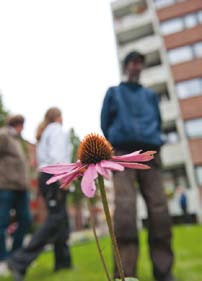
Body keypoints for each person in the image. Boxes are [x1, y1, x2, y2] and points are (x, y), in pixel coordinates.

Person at [101, 51, 174, 281]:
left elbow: (158, 122)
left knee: (160, 211)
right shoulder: (114, 93)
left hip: (150, 156)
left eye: (140, 63)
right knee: (125, 211)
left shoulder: (150, 96)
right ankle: (125, 274)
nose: (137, 66)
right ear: (126, 66)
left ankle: (163, 272)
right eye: (133, 62)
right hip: (122, 155)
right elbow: (105, 123)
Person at [8, 107, 72, 281]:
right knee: (55, 220)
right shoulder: (56, 131)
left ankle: (63, 262)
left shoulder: (45, 133)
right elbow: (57, 157)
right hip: (55, 176)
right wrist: (63, 179)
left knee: (61, 221)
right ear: (58, 117)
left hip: (46, 176)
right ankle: (19, 261)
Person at [0, 115, 32, 276]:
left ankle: (15, 256)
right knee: (2, 221)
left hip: (21, 188)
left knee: (26, 220)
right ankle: (3, 259)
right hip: (5, 186)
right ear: (18, 124)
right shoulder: (4, 135)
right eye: (22, 125)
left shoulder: (17, 141)